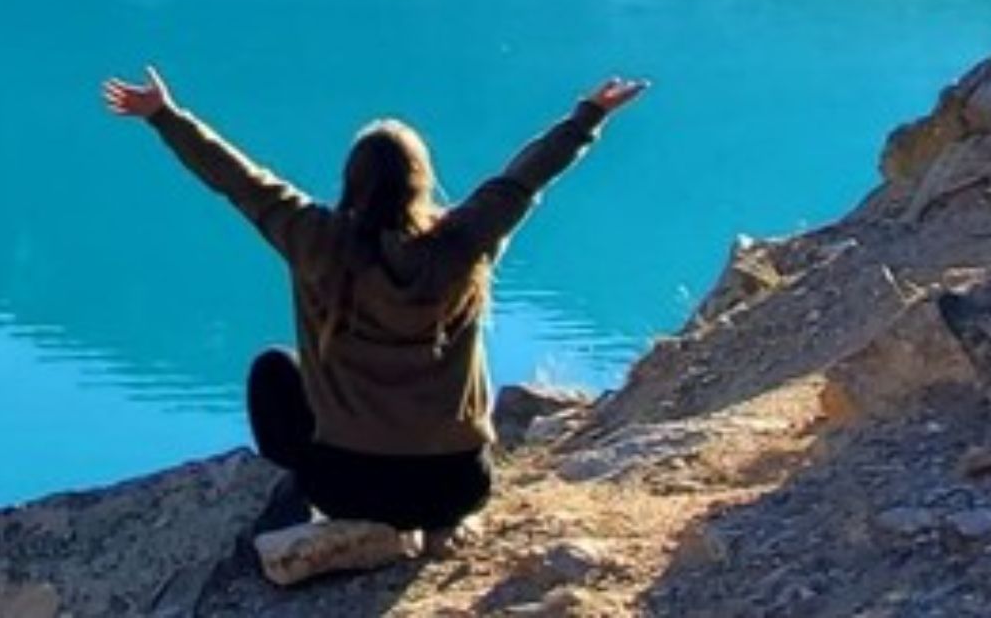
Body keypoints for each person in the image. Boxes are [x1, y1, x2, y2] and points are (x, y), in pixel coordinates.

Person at [100, 66, 647, 588]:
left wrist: (164, 116)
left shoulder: (315, 240)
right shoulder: (463, 243)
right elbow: (522, 179)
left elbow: (241, 181)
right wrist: (588, 115)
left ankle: (300, 510)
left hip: (346, 487)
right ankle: (428, 530)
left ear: (352, 182)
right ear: (422, 181)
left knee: (274, 370)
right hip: (455, 486)